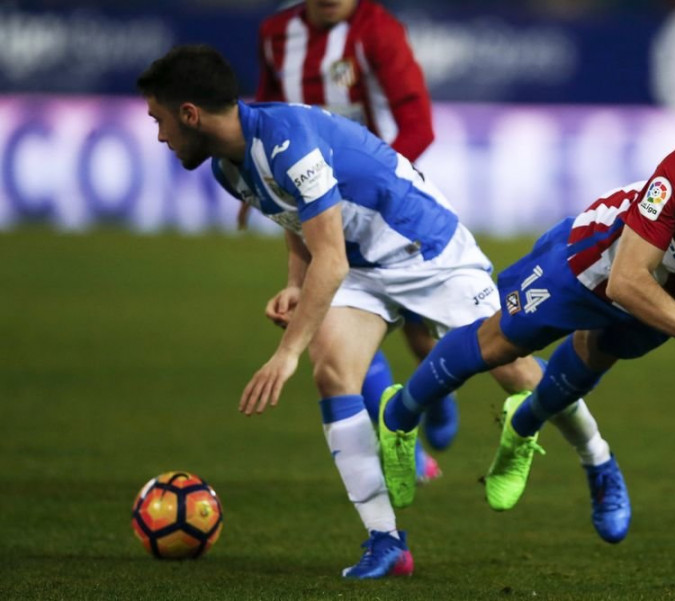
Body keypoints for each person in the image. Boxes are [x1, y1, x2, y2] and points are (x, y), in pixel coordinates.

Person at [136, 44, 623, 579]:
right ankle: (386, 542)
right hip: (360, 267)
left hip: (427, 250)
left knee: (517, 371)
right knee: (334, 374)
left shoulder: (285, 143)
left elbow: (331, 258)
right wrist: (296, 285)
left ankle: (599, 463)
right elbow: (301, 224)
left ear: (190, 114)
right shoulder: (230, 169)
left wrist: (285, 352)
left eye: (160, 119)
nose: (160, 135)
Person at [379, 117, 675, 530]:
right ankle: (398, 418)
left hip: (673, 300)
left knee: (588, 365)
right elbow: (626, 280)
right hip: (595, 261)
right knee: (499, 345)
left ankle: (522, 427)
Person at [249, 0, 455, 476]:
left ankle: (438, 393)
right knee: (334, 324)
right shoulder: (276, 35)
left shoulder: (378, 32)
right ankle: (407, 446)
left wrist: (375, 186)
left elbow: (419, 124)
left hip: (386, 205)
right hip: (317, 204)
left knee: (423, 332)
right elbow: (263, 110)